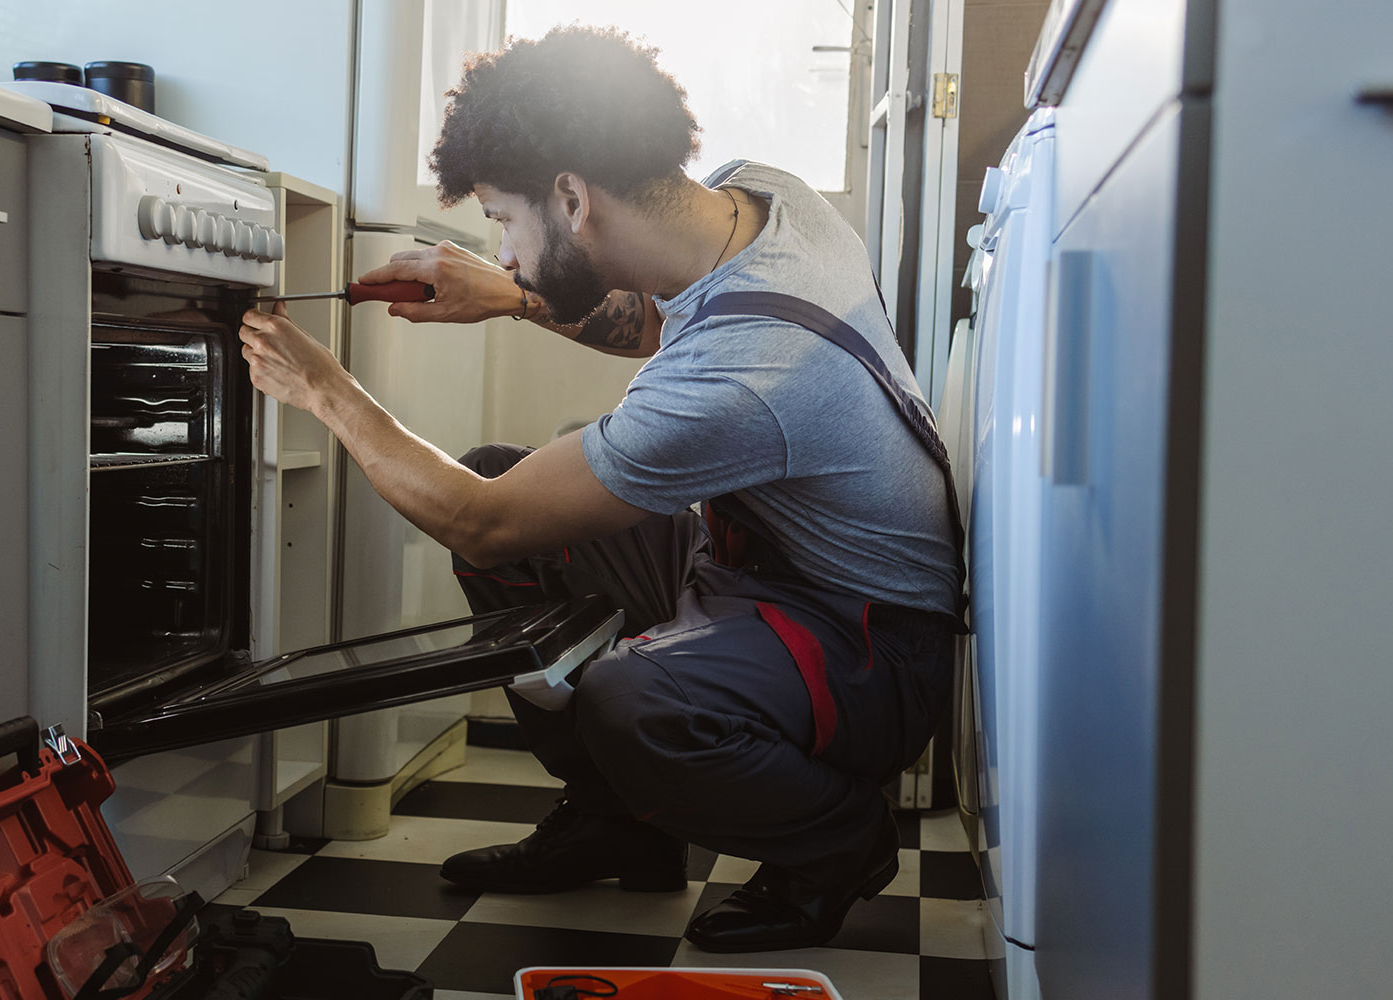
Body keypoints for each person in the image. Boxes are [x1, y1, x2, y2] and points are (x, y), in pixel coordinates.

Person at [234, 25, 962, 953]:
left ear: (572, 197)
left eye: (502, 220)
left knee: (627, 694)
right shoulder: (768, 200)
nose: (501, 252)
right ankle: (622, 823)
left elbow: (478, 523)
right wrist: (514, 296)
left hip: (868, 645)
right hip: (766, 576)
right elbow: (657, 324)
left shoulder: (746, 376)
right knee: (507, 472)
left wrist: (322, 389)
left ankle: (837, 842)